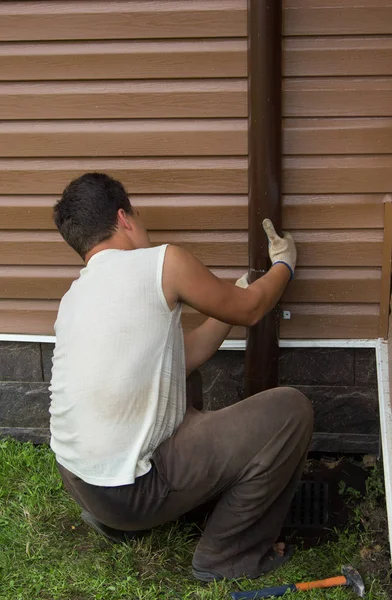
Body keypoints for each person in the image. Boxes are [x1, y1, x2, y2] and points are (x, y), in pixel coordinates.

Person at [49, 172, 313, 582]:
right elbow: (250, 311)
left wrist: (239, 289)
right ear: (124, 218)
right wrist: (284, 265)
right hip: (133, 493)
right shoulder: (162, 260)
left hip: (83, 485)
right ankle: (229, 557)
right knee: (290, 411)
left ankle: (121, 525)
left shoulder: (74, 297)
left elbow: (183, 355)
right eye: (137, 212)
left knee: (177, 373)